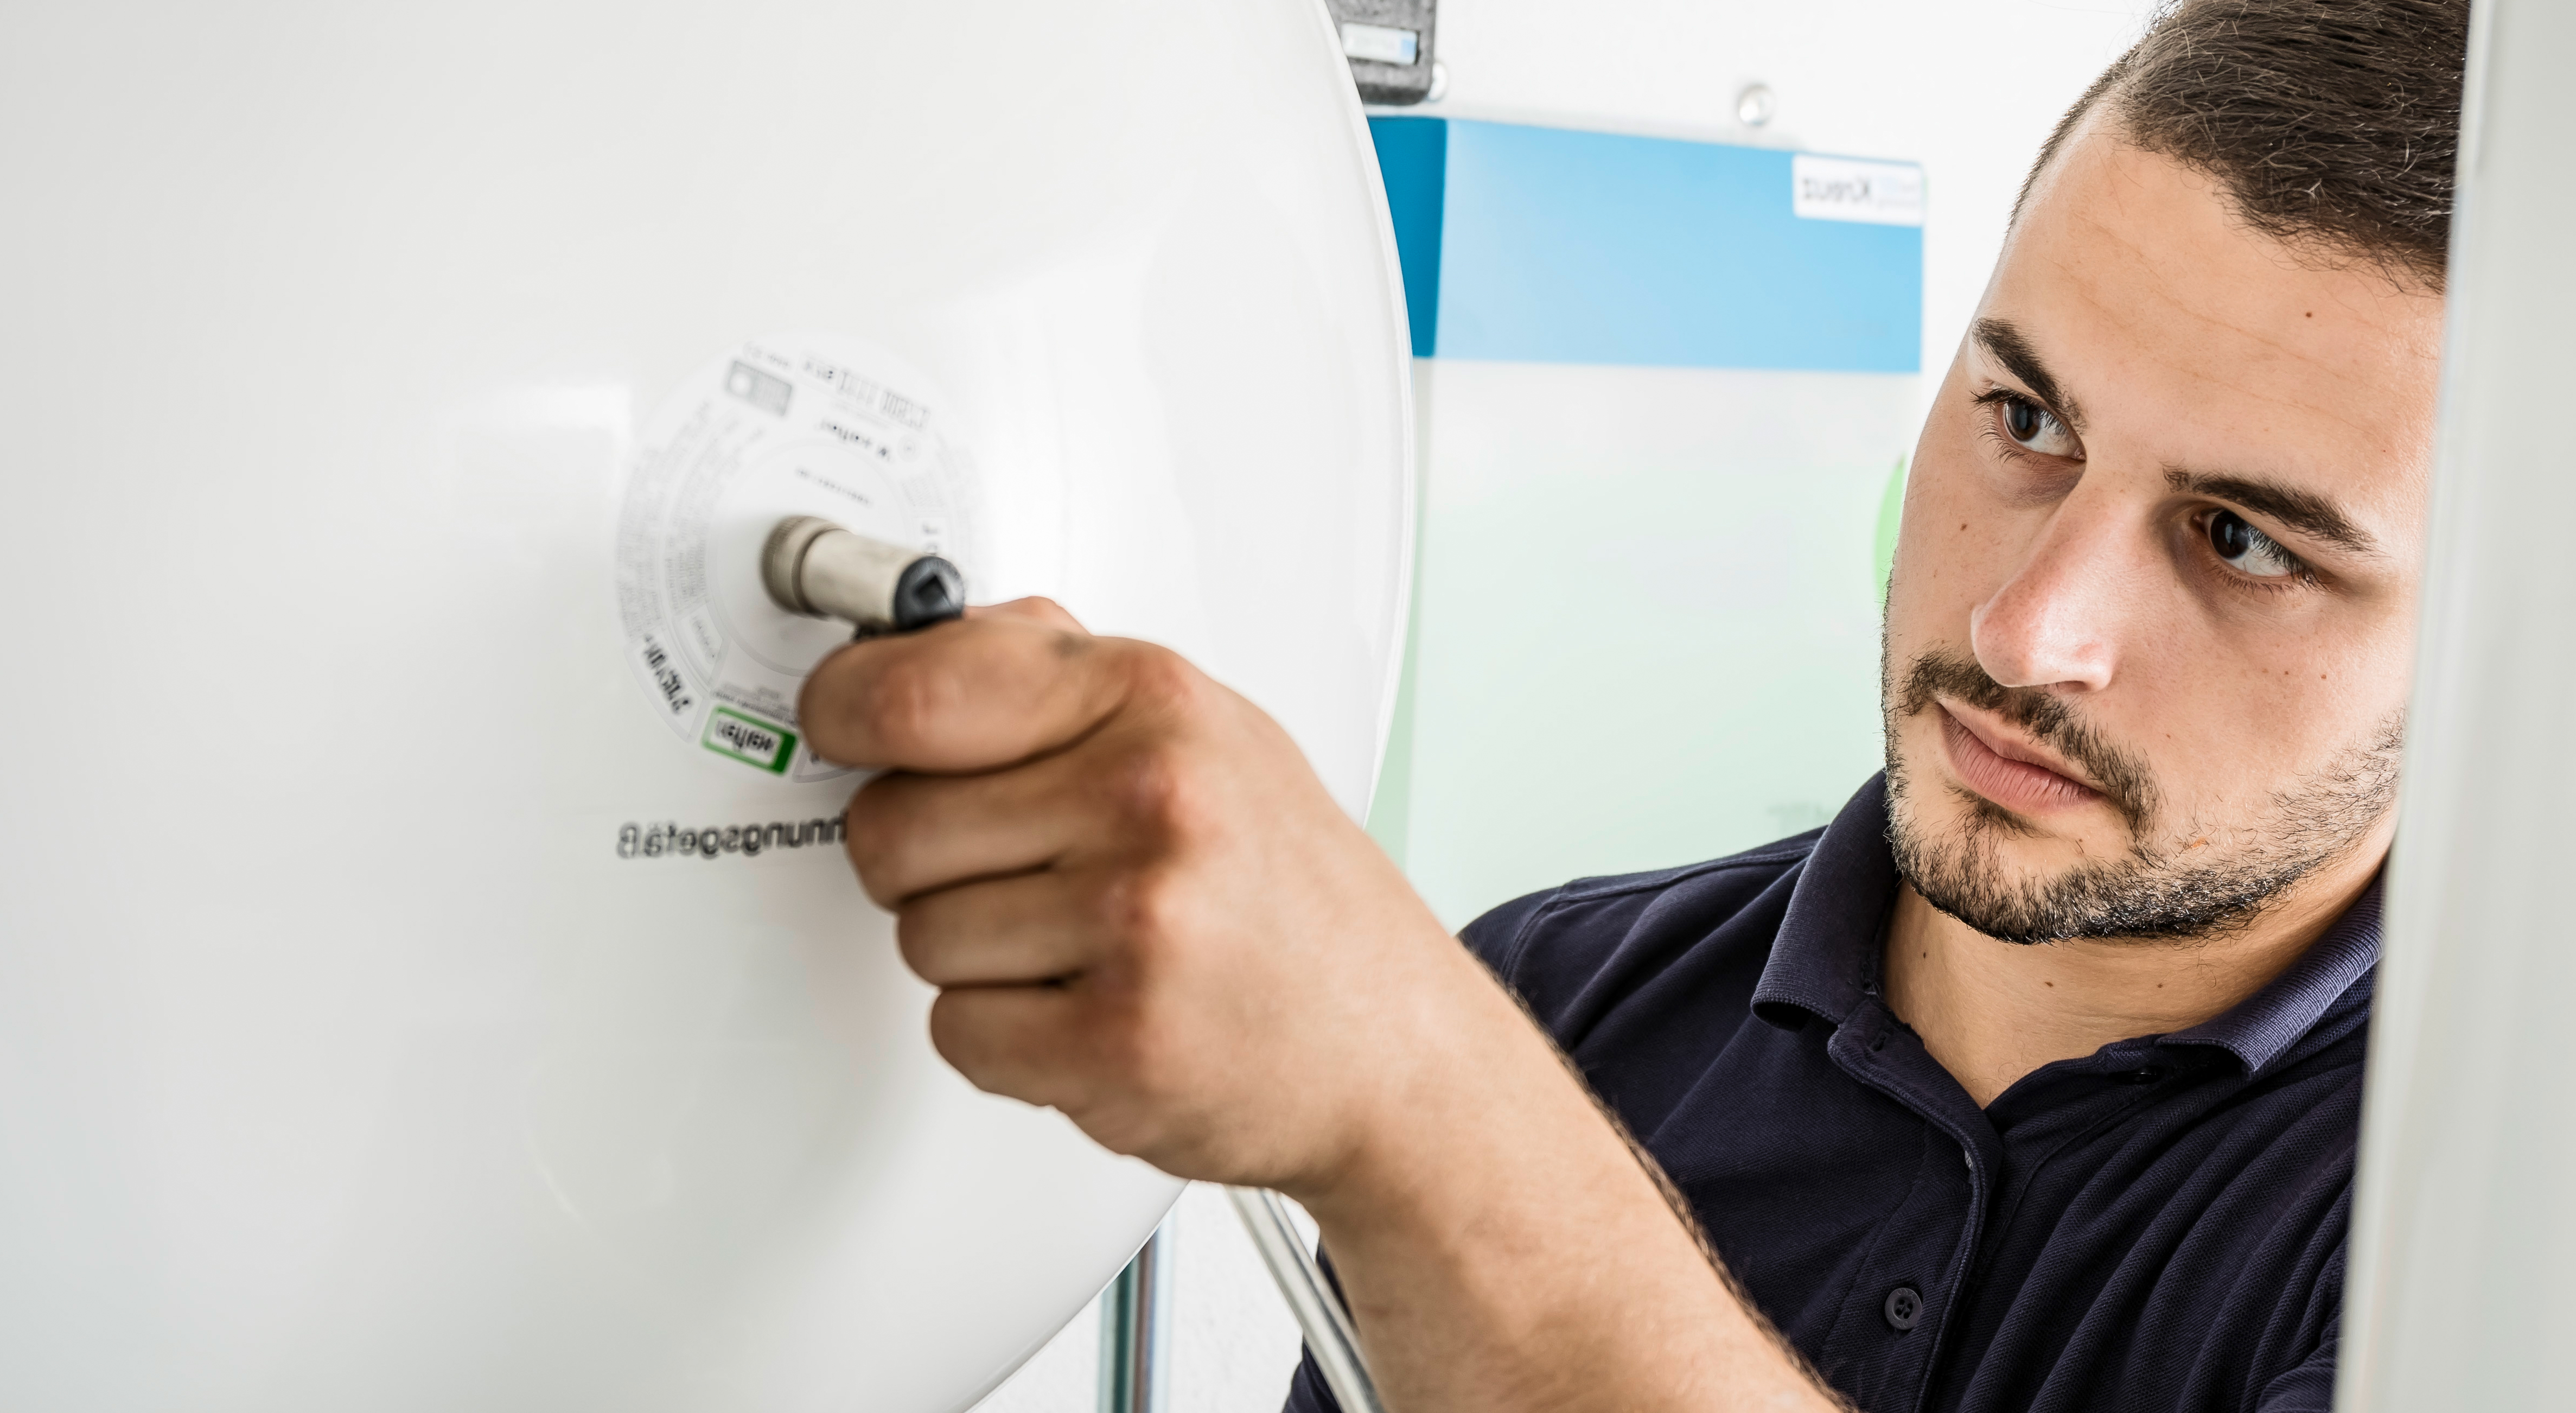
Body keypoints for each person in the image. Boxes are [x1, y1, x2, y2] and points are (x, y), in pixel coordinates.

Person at [795, 1, 2464, 1407]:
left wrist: (1429, 1119)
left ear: (2503, 637)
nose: (2028, 630)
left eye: (2241, 540)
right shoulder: (1561, 1000)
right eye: (2026, 421)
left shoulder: (2505, 1252)